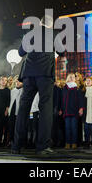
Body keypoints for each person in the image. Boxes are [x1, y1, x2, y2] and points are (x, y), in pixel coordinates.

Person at [12, 15, 64, 155]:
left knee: (23, 108)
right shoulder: (54, 34)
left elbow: (20, 52)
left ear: (39, 23)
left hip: (28, 74)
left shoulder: (29, 34)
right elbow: (61, 51)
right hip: (45, 74)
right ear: (51, 24)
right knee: (45, 108)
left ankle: (16, 145)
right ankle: (42, 147)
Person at [59, 73, 84, 150]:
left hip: (74, 111)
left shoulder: (77, 89)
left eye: (73, 77)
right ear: (67, 79)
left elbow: (80, 100)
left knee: (74, 127)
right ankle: (67, 143)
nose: (72, 78)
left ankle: (74, 143)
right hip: (66, 111)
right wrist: (60, 109)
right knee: (67, 128)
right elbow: (61, 100)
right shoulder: (64, 89)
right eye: (70, 77)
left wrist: (81, 108)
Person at [8, 80, 23, 147]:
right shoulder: (12, 91)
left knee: (18, 127)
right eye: (17, 82)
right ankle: (11, 141)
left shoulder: (24, 90)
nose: (18, 83)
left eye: (19, 82)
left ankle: (18, 142)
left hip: (19, 111)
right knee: (11, 126)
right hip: (11, 111)